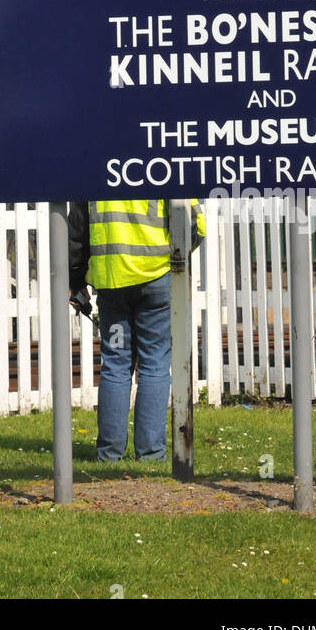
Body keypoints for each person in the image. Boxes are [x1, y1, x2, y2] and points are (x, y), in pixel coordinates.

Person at [68, 197, 205, 462]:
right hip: (157, 276)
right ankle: (151, 454)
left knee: (115, 364)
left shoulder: (92, 163)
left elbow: (77, 228)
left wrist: (76, 278)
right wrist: (176, 255)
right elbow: (195, 223)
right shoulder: (160, 160)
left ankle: (109, 454)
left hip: (112, 280)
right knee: (154, 364)